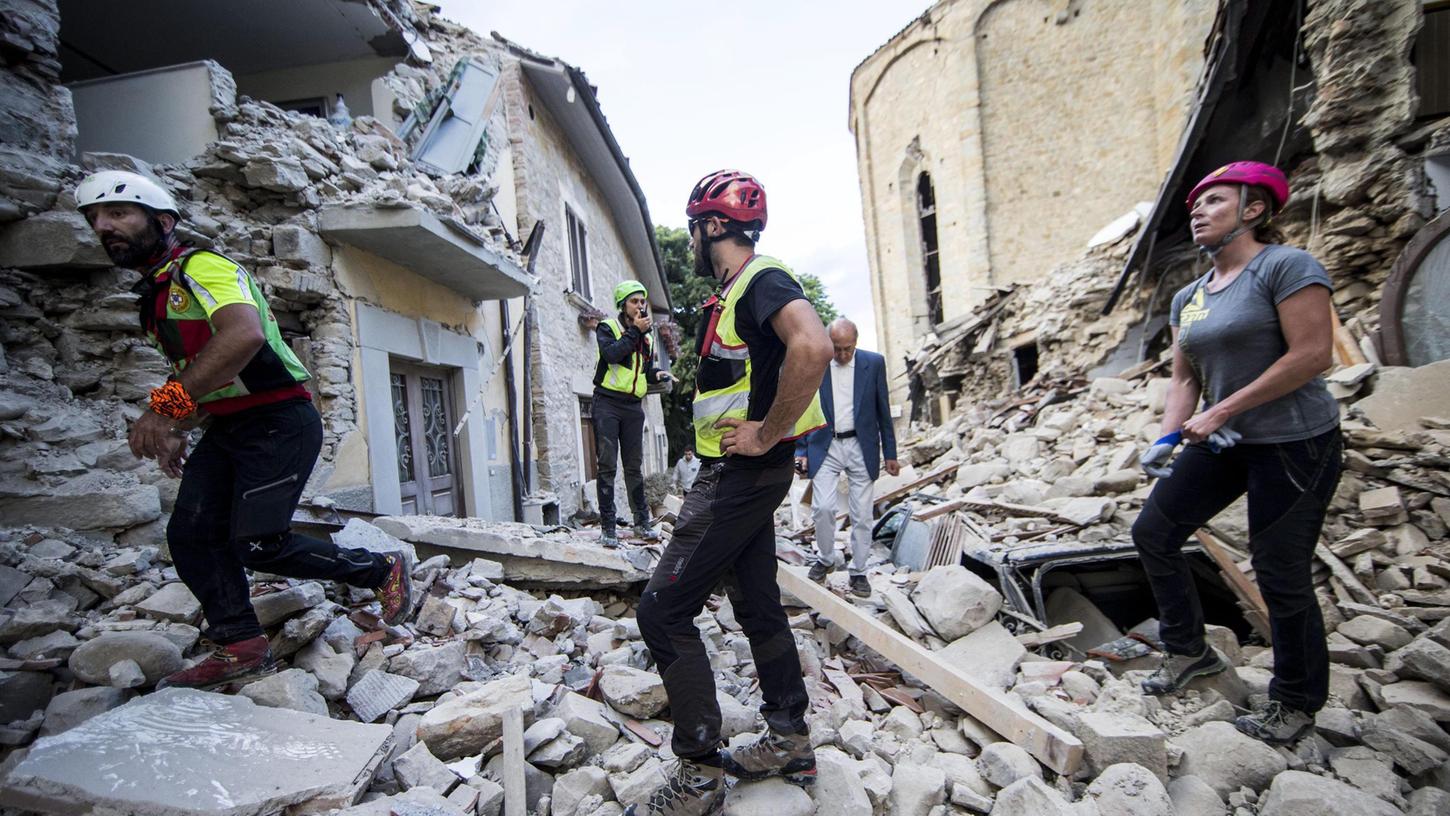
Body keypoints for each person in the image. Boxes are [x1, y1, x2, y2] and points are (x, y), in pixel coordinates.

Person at [75, 170, 413, 689]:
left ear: (163, 222)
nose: (104, 226)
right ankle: (241, 644)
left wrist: (164, 409)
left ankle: (379, 569)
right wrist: (184, 424)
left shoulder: (202, 267)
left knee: (257, 544)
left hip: (280, 422)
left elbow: (242, 336)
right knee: (190, 535)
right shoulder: (155, 299)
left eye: (118, 214)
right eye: (95, 218)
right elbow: (210, 371)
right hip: (231, 426)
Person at [629, 170, 831, 816]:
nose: (690, 240)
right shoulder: (732, 295)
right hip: (744, 472)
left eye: (694, 228)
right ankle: (789, 738)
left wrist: (769, 432)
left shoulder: (760, 280)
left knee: (661, 612)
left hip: (741, 476)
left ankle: (698, 773)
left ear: (713, 227)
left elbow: (814, 344)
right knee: (757, 603)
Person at [1132, 161, 1342, 745]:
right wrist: (1167, 437)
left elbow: (1313, 354)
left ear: (1253, 210)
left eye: (1215, 201)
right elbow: (1183, 379)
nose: (1197, 210)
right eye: (1195, 204)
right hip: (1225, 442)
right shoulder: (1190, 297)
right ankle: (1188, 650)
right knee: (1154, 532)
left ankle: (1296, 702)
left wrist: (1224, 410)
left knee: (1279, 571)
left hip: (1295, 442)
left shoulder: (1286, 266)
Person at [796, 318, 899, 598]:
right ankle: (826, 559)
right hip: (825, 445)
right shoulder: (817, 364)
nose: (842, 355)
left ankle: (859, 571)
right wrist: (801, 450)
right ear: (829, 344)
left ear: (856, 342)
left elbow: (883, 410)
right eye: (837, 349)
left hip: (860, 445)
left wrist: (890, 452)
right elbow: (805, 408)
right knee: (824, 508)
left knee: (862, 514)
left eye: (848, 349)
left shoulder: (874, 363)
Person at [593, 279, 672, 547]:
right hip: (607, 403)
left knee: (634, 468)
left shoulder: (646, 338)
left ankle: (641, 523)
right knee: (606, 467)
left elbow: (641, 369)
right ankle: (608, 528)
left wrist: (657, 373)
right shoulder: (608, 328)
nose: (640, 306)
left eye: (642, 301)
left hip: (633, 408)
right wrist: (635, 332)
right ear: (622, 305)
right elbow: (613, 355)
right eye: (634, 301)